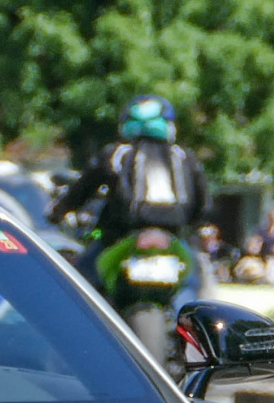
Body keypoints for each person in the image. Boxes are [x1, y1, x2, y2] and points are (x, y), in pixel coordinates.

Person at [48, 95, 208, 279]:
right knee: (198, 282)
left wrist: (58, 211)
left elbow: (81, 190)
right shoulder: (185, 157)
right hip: (174, 240)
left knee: (81, 277)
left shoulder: (116, 153)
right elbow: (204, 206)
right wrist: (193, 229)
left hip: (121, 238)